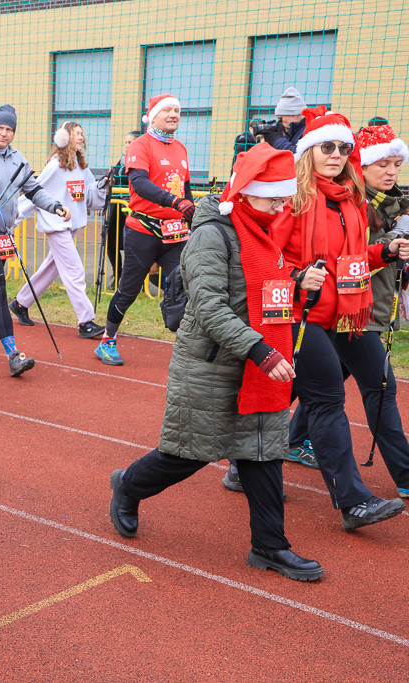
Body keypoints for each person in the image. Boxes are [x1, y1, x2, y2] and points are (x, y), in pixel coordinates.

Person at [109, 143, 324, 582]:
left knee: (262, 454)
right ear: (246, 193)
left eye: (283, 198)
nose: (280, 205)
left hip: (254, 365)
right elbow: (208, 306)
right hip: (214, 364)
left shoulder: (262, 227)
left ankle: (269, 546)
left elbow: (261, 287)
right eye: (272, 197)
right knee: (186, 455)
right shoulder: (214, 233)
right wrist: (262, 350)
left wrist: (297, 282)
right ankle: (127, 486)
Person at [272, 107, 408, 530]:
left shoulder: (349, 201)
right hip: (297, 314)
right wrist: (295, 277)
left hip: (344, 314)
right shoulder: (291, 198)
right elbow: (262, 258)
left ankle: (247, 461)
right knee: (328, 396)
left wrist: (384, 253)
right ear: (308, 151)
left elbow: (348, 260)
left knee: (298, 390)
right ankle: (353, 502)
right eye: (326, 146)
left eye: (343, 147)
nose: (335, 154)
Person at [0, 105, 66, 377]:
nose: (4, 134)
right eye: (0, 128)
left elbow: (33, 190)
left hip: (4, 236)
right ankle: (13, 355)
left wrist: (54, 206)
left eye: (9, 129)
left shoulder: (19, 159)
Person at [96, 95, 194, 366]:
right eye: (167, 110)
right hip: (143, 230)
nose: (174, 114)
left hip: (175, 234)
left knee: (183, 287)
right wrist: (175, 202)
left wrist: (191, 210)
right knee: (128, 290)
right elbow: (138, 184)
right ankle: (107, 340)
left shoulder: (181, 148)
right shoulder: (140, 145)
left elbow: (184, 188)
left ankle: (187, 344)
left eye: (177, 110)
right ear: (153, 115)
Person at [8, 120, 106, 342]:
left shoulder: (81, 166)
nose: (81, 137)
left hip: (71, 225)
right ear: (65, 138)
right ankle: (86, 321)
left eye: (82, 134)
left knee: (51, 268)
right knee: (74, 271)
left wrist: (102, 186)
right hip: (56, 225)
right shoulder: (55, 166)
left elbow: (89, 195)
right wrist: (10, 219)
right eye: (77, 133)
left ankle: (21, 302)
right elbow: (35, 194)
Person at [102, 130, 140, 288]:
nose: (126, 145)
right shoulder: (122, 161)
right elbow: (114, 178)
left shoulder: (140, 161)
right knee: (110, 243)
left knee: (132, 245)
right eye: (125, 142)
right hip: (117, 206)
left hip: (133, 208)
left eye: (130, 142)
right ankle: (117, 276)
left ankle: (130, 281)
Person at [260, 87, 307, 153]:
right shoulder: (291, 133)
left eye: (281, 118)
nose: (280, 123)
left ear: (294, 115)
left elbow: (300, 156)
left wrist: (276, 139)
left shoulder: (310, 131)